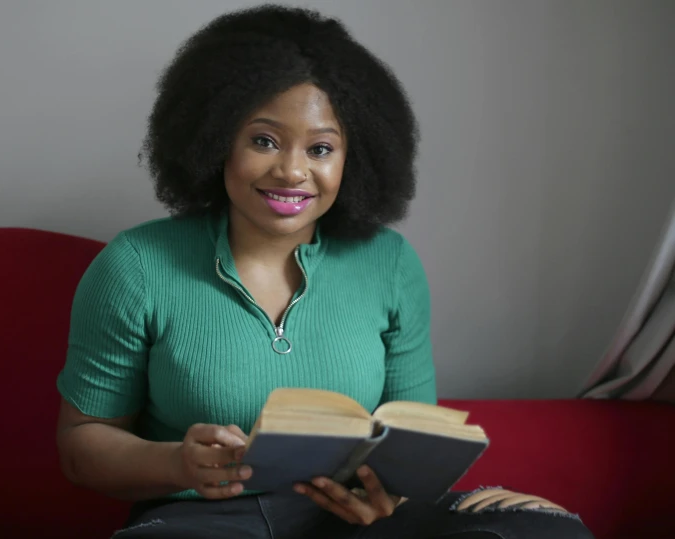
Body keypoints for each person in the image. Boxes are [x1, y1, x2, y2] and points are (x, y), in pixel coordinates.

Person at [55, 5, 594, 539]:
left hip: (355, 524)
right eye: (263, 140)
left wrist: (389, 495)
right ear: (217, 138)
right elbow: (83, 443)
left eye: (320, 148)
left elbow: (412, 435)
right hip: (202, 520)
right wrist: (177, 463)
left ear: (352, 160)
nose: (292, 170)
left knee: (550, 533)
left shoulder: (389, 262)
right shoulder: (136, 265)